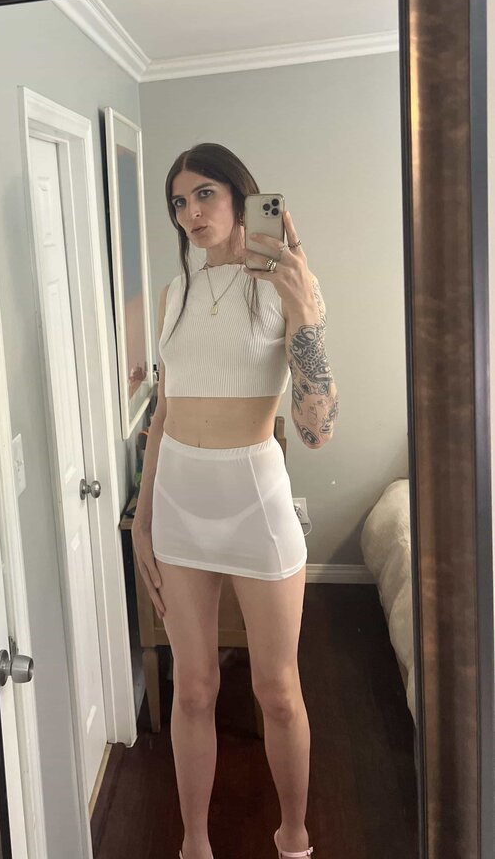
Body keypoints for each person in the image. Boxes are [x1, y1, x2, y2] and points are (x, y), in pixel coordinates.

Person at [131, 143, 339, 859]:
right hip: (179, 504)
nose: (190, 212)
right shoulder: (174, 295)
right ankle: (194, 843)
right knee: (193, 688)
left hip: (256, 501)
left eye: (204, 194)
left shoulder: (285, 285)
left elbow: (317, 430)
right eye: (178, 201)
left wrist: (304, 309)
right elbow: (163, 413)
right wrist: (143, 519)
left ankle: (294, 837)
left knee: (277, 690)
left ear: (242, 198)